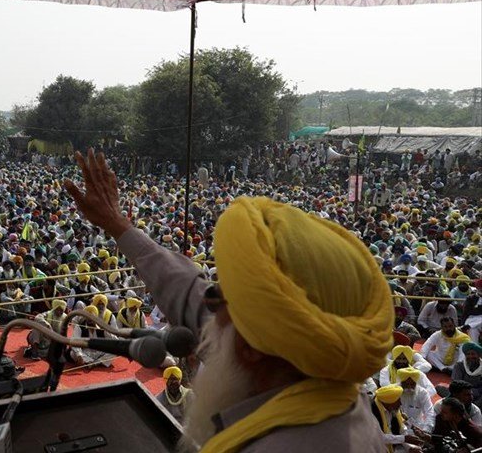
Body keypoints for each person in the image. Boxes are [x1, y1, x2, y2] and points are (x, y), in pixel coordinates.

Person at [65, 149, 390, 451]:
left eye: (220, 298)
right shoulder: (335, 391)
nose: (207, 304)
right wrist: (117, 224)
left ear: (250, 348)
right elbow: (189, 294)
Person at [396, 367, 435, 434]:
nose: (409, 387)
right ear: (401, 383)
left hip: (416, 430)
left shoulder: (422, 393)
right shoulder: (394, 391)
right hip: (396, 428)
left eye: (412, 384)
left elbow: (429, 412)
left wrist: (426, 430)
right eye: (406, 384)